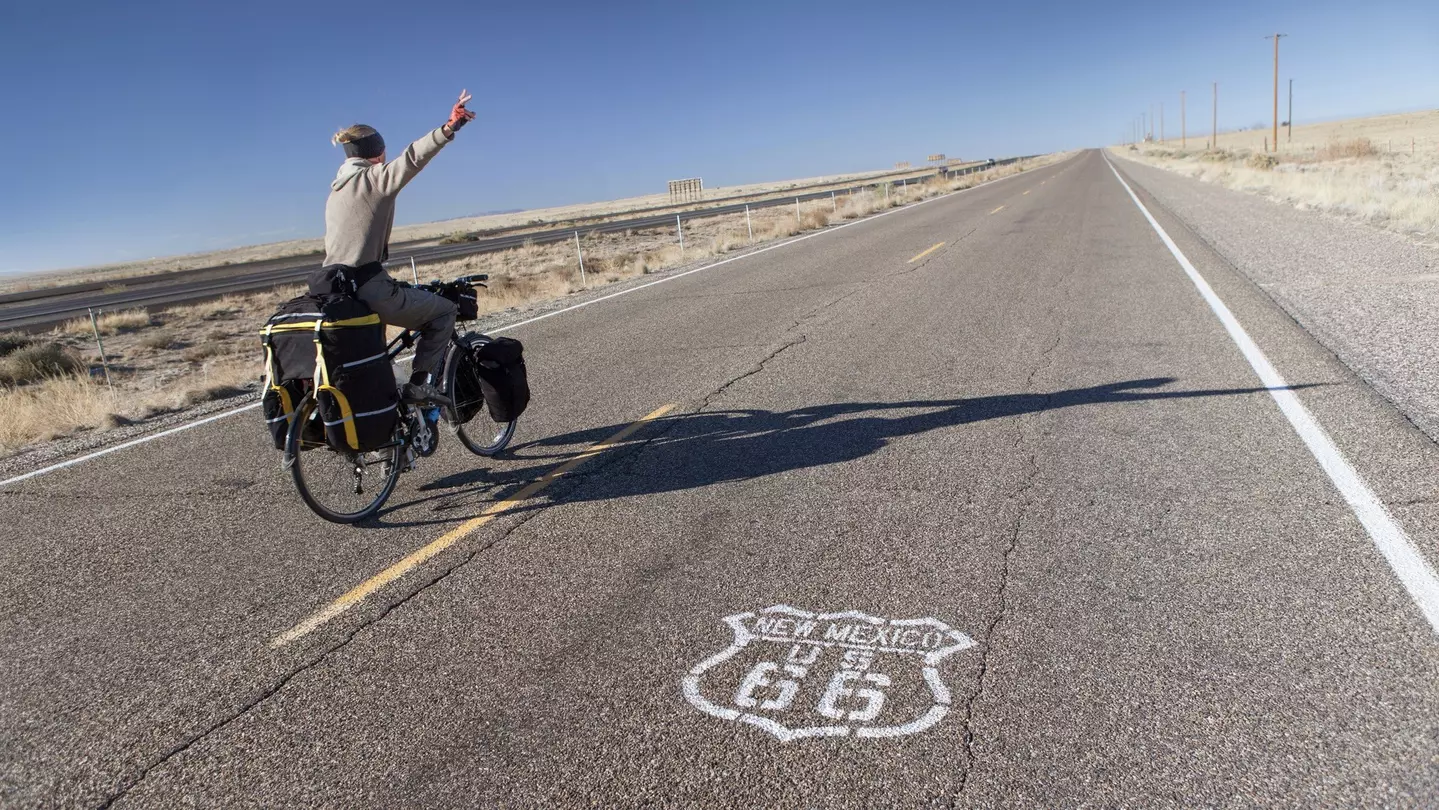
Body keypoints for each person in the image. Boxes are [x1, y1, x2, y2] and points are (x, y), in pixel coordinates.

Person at [322, 89, 477, 406]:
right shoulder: (373, 179)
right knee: (444, 312)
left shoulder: (336, 189)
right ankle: (420, 385)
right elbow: (413, 157)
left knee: (375, 357)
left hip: (334, 291)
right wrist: (449, 127)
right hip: (369, 286)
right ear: (377, 153)